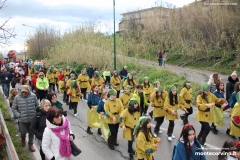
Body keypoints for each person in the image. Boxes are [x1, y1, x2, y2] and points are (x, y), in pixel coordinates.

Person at [12, 85, 39, 152]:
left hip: (32, 118)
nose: (24, 93)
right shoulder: (17, 98)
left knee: (31, 132)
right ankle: (23, 138)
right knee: (23, 132)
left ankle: (30, 145)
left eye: (25, 92)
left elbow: (37, 106)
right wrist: (18, 115)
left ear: (28, 91)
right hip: (22, 119)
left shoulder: (33, 96)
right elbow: (14, 108)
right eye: (23, 91)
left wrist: (35, 113)